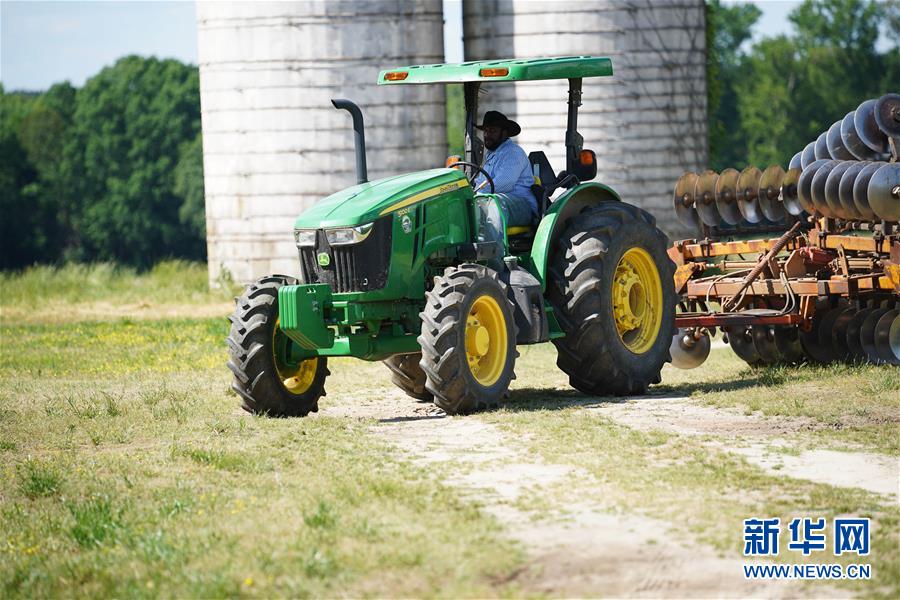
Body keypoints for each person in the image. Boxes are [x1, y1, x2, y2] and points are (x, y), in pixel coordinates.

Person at [473, 111, 538, 227]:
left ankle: (491, 245)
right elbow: (481, 182)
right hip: (501, 201)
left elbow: (504, 183)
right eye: (486, 131)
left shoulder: (513, 152)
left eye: (493, 131)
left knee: (493, 204)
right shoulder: (491, 155)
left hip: (522, 205)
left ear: (505, 133)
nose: (487, 135)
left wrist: (476, 193)